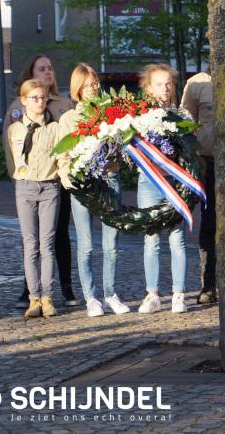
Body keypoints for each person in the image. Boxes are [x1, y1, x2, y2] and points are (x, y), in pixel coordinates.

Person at [4, 55, 78, 309]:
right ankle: (30, 291)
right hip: (27, 183)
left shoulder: (65, 104)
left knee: (58, 237)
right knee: (30, 241)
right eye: (41, 68)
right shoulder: (18, 108)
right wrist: (17, 177)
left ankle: (63, 288)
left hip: (56, 181)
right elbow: (10, 148)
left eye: (50, 67)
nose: (48, 72)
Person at [58, 63, 130, 317]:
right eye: (88, 85)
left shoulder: (109, 114)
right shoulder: (68, 119)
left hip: (109, 180)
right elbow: (63, 158)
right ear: (78, 88)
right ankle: (91, 297)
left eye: (96, 83)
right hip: (83, 185)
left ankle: (110, 293)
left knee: (111, 244)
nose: (93, 88)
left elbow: (120, 148)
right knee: (86, 244)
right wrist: (71, 182)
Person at [180, 71, 225, 304]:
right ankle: (208, 284)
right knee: (210, 222)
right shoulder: (195, 85)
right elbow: (186, 122)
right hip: (207, 161)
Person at [7, 79, 63, 318]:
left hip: (49, 188)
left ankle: (48, 297)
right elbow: (12, 160)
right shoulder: (14, 130)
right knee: (30, 245)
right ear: (24, 100)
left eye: (43, 97)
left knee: (47, 245)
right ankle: (34, 298)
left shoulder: (55, 129)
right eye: (34, 98)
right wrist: (18, 181)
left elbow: (62, 158)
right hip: (25, 188)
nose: (40, 102)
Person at [137, 64, 190, 314]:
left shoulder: (182, 116)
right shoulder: (138, 118)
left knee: (177, 239)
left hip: (174, 182)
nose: (165, 88)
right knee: (151, 240)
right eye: (159, 84)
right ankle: (153, 294)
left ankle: (179, 293)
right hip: (149, 182)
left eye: (169, 83)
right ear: (148, 88)